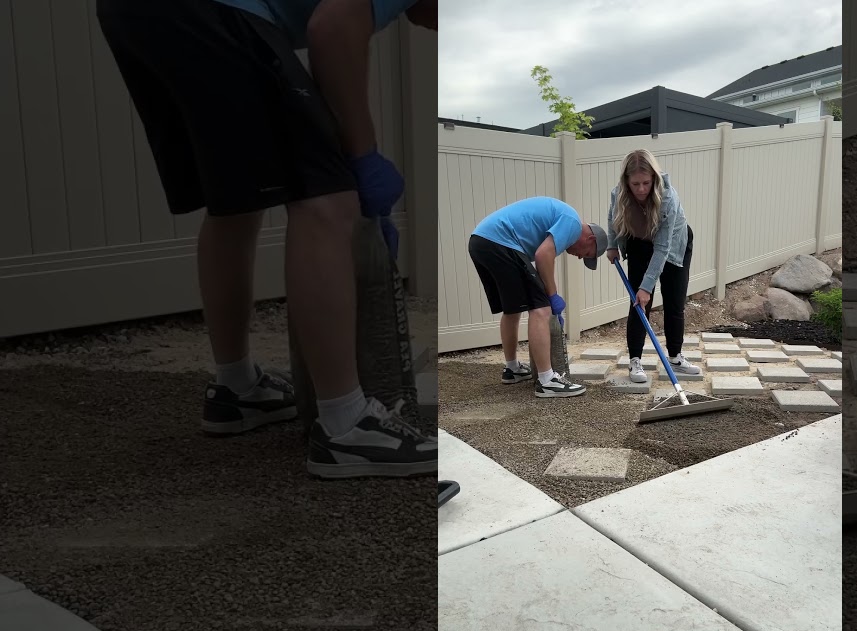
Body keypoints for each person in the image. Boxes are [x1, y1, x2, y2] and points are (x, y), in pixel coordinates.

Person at [94, 0, 439, 479]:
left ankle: (236, 388)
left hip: (133, 15)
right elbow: (333, 29)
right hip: (214, 10)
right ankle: (346, 427)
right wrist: (362, 157)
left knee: (235, 202)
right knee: (328, 200)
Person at [467, 197, 607, 399]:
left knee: (512, 309)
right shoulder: (573, 224)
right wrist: (552, 296)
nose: (579, 257)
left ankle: (512, 368)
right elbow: (543, 256)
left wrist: (548, 292)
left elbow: (545, 259)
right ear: (591, 240)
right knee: (541, 308)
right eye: (586, 254)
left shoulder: (564, 219)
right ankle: (547, 380)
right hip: (501, 241)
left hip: (480, 241)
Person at [604, 149, 702, 383]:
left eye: (646, 183)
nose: (640, 189)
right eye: (635, 183)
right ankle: (635, 361)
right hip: (639, 242)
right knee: (638, 304)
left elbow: (663, 248)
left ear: (654, 179)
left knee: (674, 301)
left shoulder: (667, 197)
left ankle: (676, 357)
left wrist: (647, 287)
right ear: (627, 181)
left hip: (674, 245)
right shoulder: (618, 194)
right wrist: (611, 245)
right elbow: (612, 218)